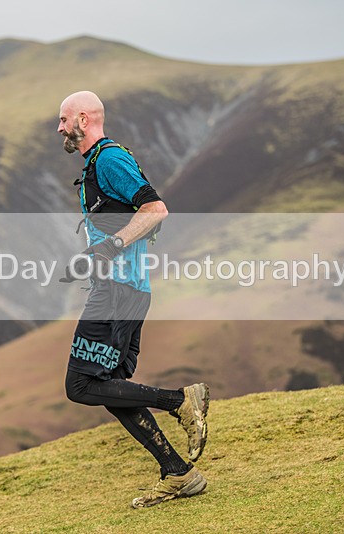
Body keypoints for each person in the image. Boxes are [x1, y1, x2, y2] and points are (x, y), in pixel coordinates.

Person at [57, 90, 210, 508]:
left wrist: (110, 248)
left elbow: (156, 209)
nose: (60, 128)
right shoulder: (98, 163)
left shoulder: (109, 159)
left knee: (81, 384)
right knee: (108, 387)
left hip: (117, 291)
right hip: (124, 288)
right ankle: (179, 473)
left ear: (84, 119)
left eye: (65, 119)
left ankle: (179, 400)